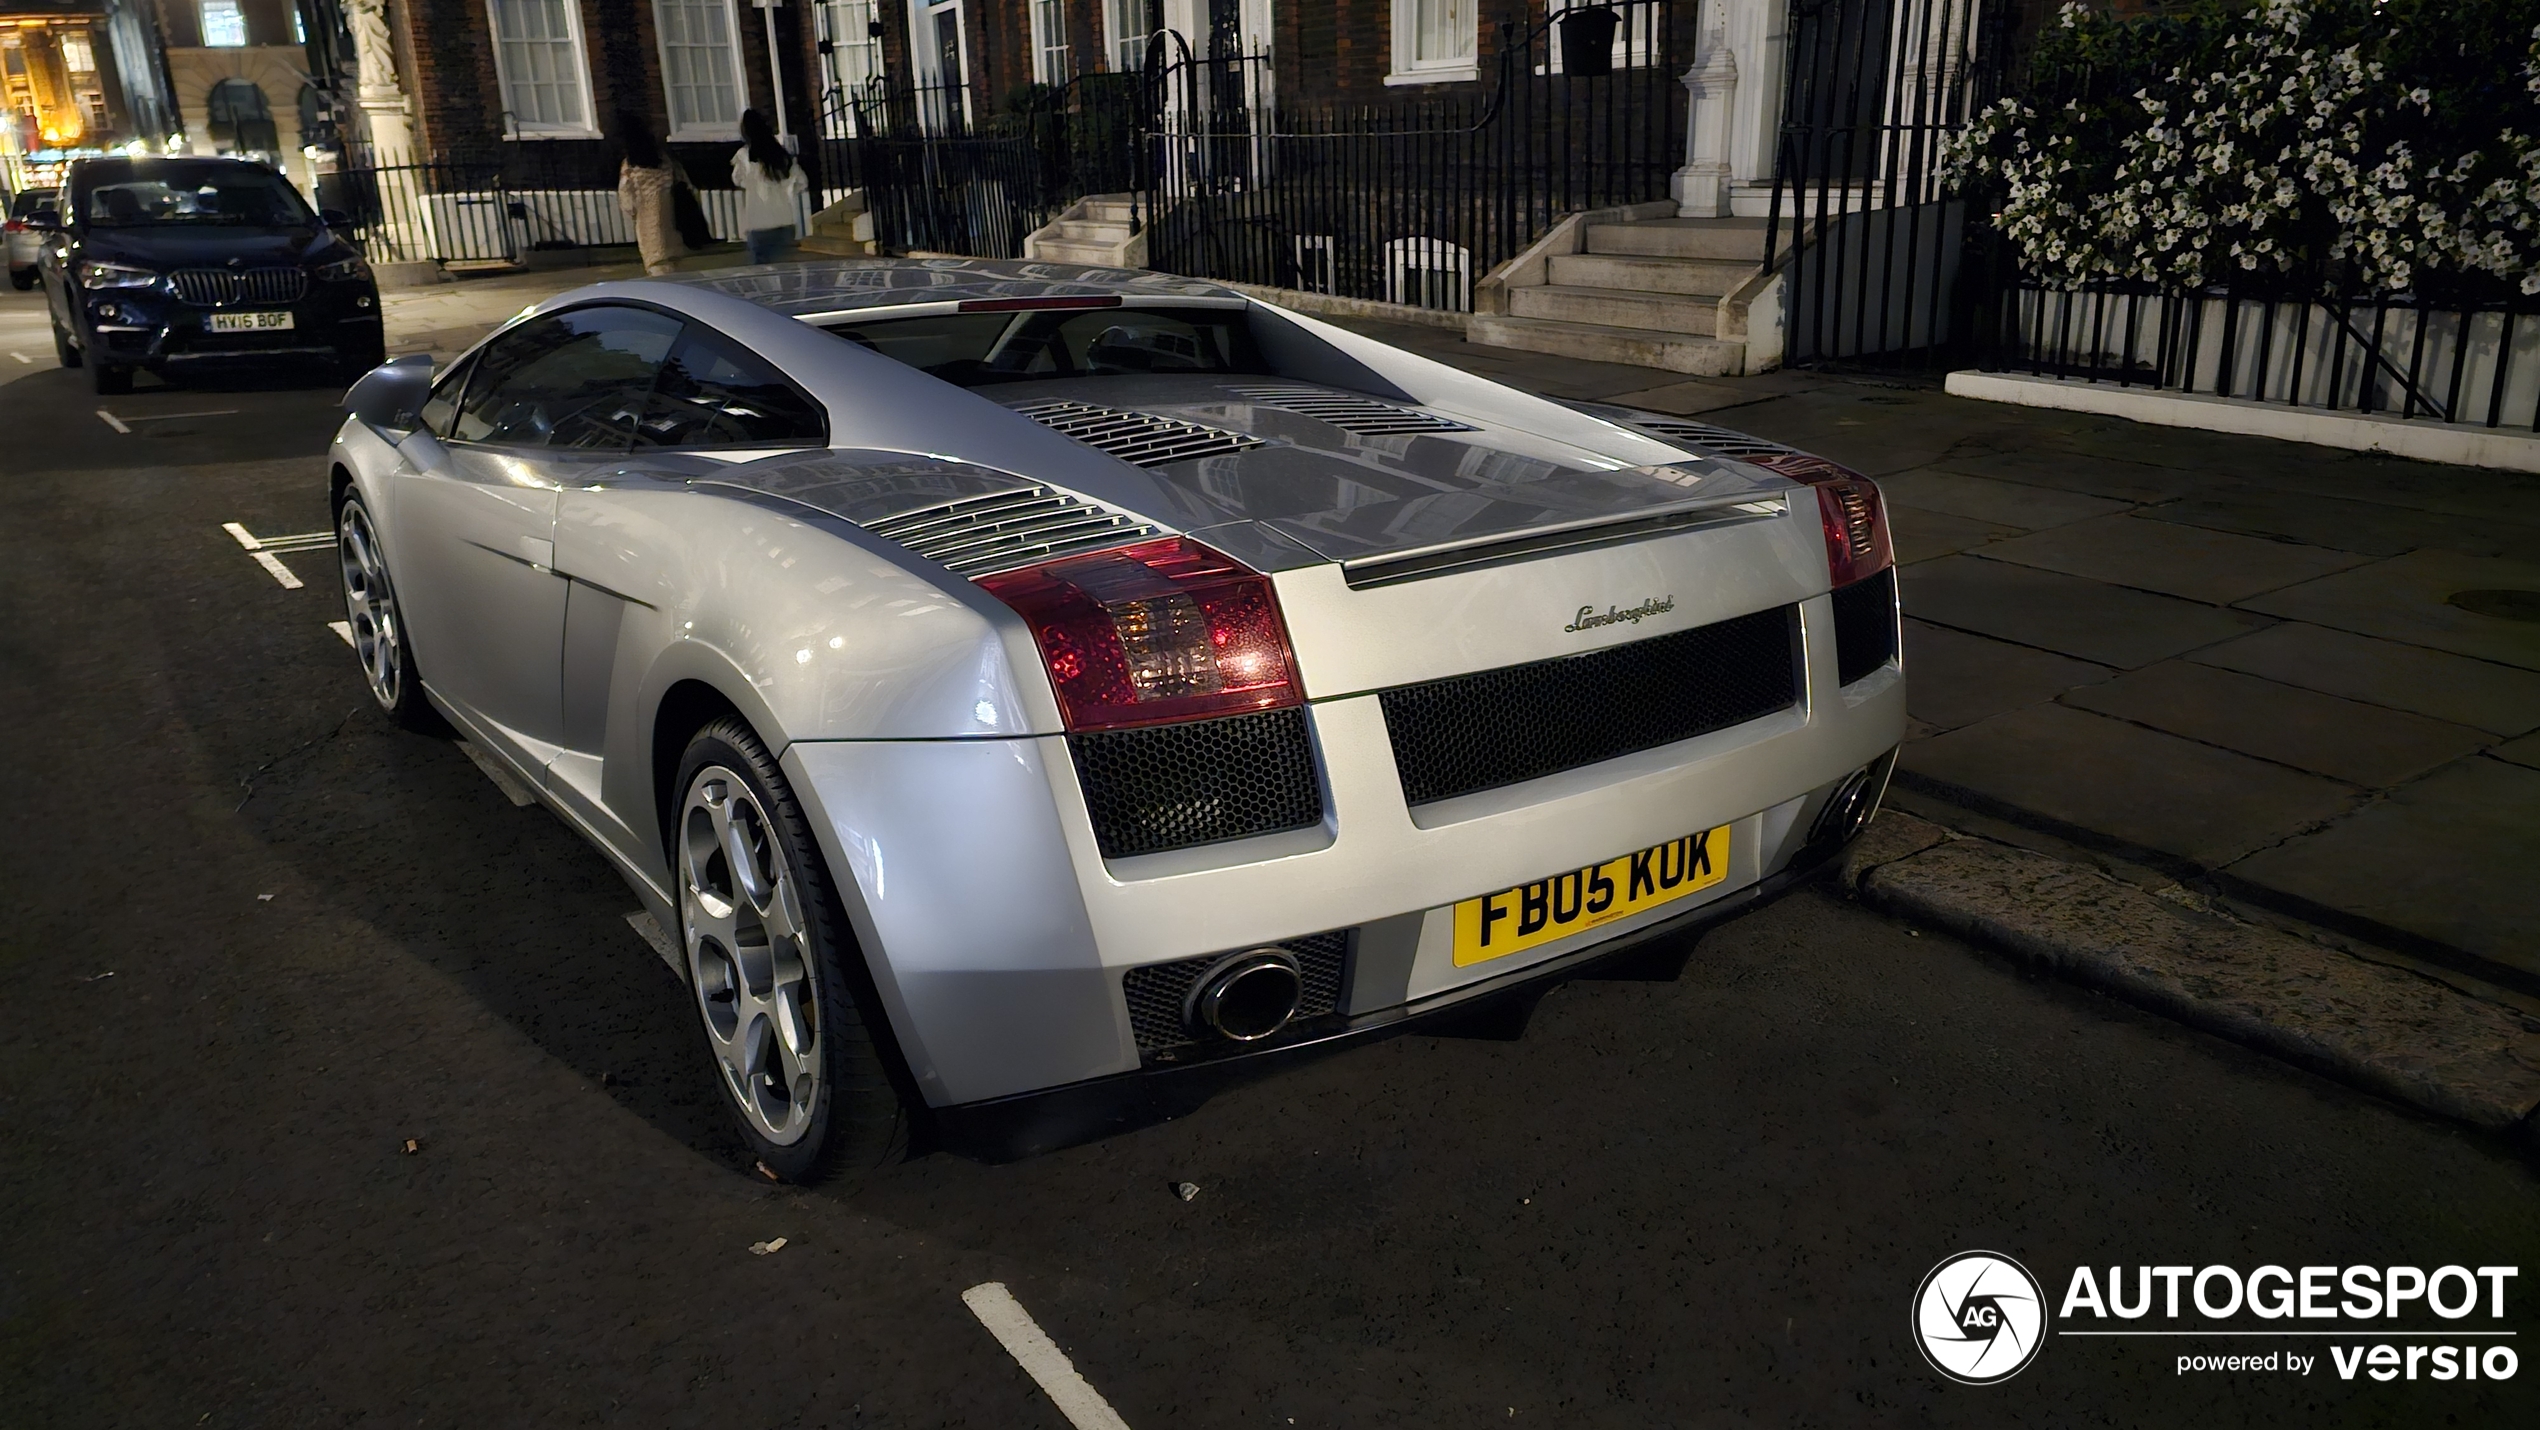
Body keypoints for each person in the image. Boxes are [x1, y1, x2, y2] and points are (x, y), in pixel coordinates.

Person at [731, 108, 807, 266]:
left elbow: (737, 180)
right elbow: (802, 182)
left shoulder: (744, 156)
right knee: (786, 276)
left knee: (761, 278)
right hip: (784, 222)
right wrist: (787, 191)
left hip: (758, 224)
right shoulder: (781, 155)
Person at [615, 112, 679, 276]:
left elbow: (627, 197)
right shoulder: (663, 160)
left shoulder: (630, 166)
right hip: (670, 216)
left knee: (655, 260)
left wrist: (633, 211)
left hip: (647, 218)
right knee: (673, 264)